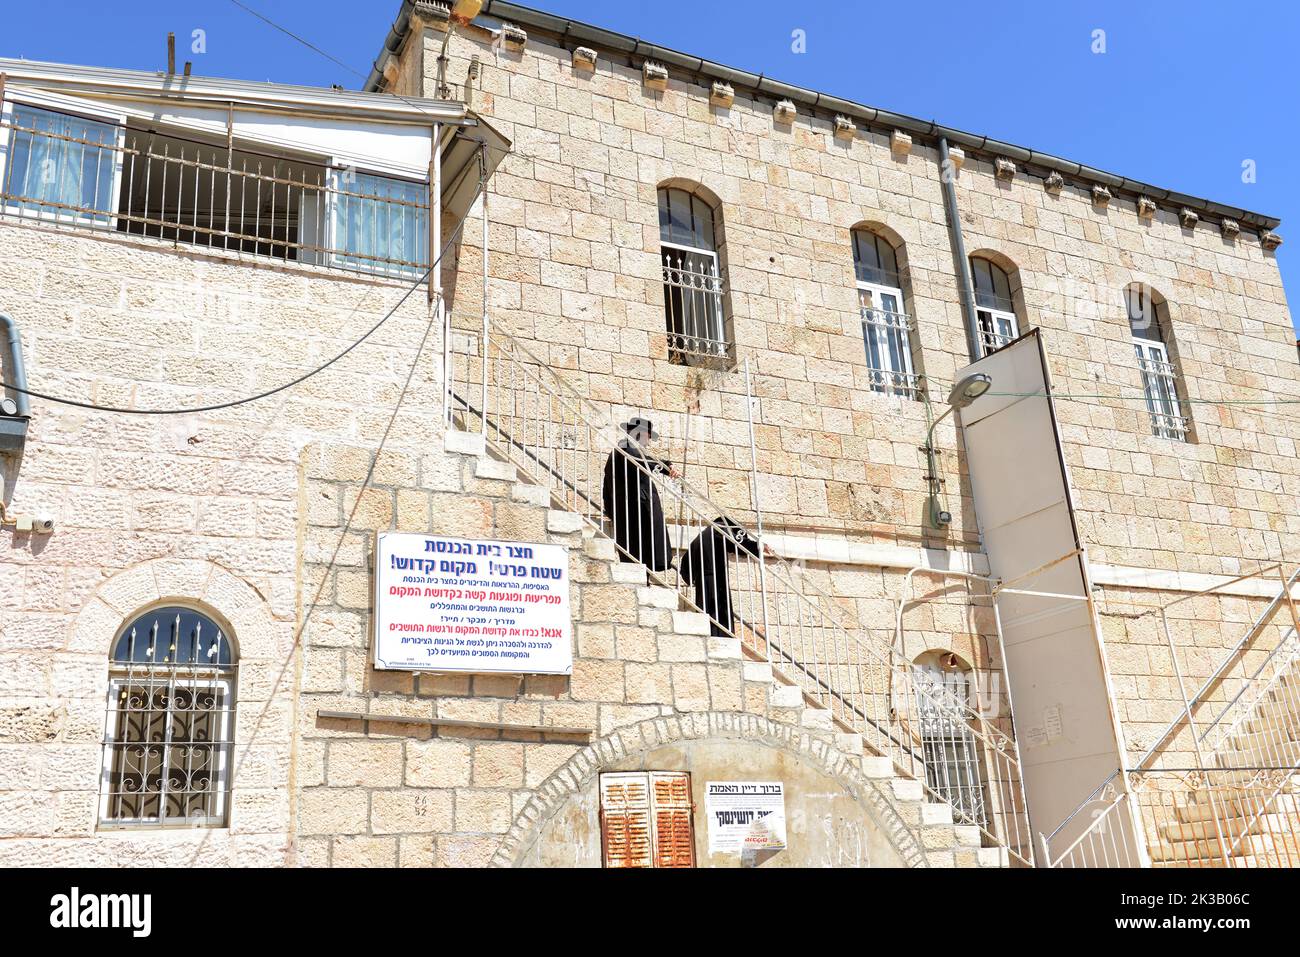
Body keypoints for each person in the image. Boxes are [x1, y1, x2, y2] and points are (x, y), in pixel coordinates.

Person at [678, 515, 776, 638]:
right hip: (715, 578)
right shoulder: (719, 530)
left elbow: (685, 566)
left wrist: (692, 578)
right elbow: (736, 542)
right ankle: (720, 637)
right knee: (719, 612)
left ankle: (710, 636)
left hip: (702, 581)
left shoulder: (702, 536)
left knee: (706, 611)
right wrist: (759, 546)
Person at [601, 417, 677, 571]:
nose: (648, 440)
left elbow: (607, 490)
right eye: (647, 436)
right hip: (636, 517)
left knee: (640, 559)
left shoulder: (624, 449)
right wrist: (666, 468)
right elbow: (644, 462)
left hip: (632, 516)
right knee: (640, 555)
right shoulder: (627, 448)